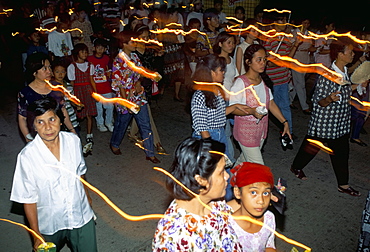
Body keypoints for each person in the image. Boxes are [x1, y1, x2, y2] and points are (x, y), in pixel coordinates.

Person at [10, 97, 97, 252]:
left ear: (60, 120)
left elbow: (80, 171)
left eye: (52, 119)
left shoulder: (73, 141)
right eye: (40, 122)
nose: (48, 127)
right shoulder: (28, 157)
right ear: (34, 127)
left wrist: (87, 195)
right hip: (49, 223)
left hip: (80, 214)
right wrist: (36, 235)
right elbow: (28, 199)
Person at [290, 38, 362, 197]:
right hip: (325, 122)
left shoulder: (343, 72)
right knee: (311, 147)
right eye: (350, 52)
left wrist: (358, 85)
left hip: (341, 123)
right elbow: (318, 101)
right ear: (340, 55)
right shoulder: (327, 75)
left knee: (341, 153)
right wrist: (329, 99)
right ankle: (296, 166)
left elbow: (345, 90)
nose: (352, 55)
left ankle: (343, 184)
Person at [152, 137, 242, 251]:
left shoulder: (213, 200)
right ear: (201, 180)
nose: (227, 176)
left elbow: (224, 212)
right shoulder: (174, 236)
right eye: (221, 172)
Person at [230, 44, 291, 165]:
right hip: (245, 133)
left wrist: (284, 122)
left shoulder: (262, 81)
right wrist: (252, 111)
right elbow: (233, 109)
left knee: (243, 161)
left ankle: (231, 178)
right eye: (259, 60)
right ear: (248, 62)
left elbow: (271, 103)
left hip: (261, 132)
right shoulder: (240, 83)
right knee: (258, 167)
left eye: (264, 59)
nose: (263, 63)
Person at [110, 30, 160, 163]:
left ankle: (150, 153)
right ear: (124, 44)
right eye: (133, 42)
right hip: (125, 98)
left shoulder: (135, 57)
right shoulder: (118, 61)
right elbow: (118, 83)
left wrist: (138, 82)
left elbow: (141, 72)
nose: (136, 44)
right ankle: (114, 144)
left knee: (145, 124)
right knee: (122, 124)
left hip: (138, 96)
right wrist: (125, 101)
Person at [18, 53, 75, 142]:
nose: (49, 71)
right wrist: (27, 138)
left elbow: (63, 110)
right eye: (44, 68)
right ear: (34, 72)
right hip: (38, 136)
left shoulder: (57, 87)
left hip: (58, 133)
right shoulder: (26, 93)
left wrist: (72, 130)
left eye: (49, 67)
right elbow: (22, 118)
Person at [263, 13, 300, 135]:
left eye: (285, 20)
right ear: (275, 22)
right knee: (267, 107)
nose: (285, 23)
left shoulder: (285, 38)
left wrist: (295, 45)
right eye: (282, 20)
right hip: (272, 79)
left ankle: (287, 132)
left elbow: (289, 58)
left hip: (282, 78)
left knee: (284, 107)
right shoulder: (269, 39)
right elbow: (268, 63)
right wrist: (282, 62)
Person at [228, 162, 276, 252]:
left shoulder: (269, 218)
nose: (261, 201)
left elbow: (269, 245)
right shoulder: (227, 227)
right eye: (253, 192)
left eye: (265, 193)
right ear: (238, 192)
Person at [213, 31, 238, 163]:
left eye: (233, 43)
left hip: (231, 99)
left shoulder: (231, 60)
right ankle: (230, 160)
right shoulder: (216, 61)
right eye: (228, 42)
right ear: (220, 43)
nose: (231, 45)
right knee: (226, 132)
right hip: (221, 99)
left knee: (238, 128)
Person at [67, 43, 97, 147]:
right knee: (78, 114)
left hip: (88, 90)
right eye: (82, 51)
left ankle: (89, 134)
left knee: (89, 114)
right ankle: (75, 129)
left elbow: (92, 80)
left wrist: (96, 92)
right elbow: (72, 83)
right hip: (78, 91)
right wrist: (72, 95)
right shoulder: (72, 66)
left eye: (86, 52)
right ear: (77, 53)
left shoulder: (90, 65)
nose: (84, 54)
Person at [289, 18, 316, 115]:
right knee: (300, 83)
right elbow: (291, 45)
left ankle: (289, 100)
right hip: (296, 57)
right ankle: (305, 106)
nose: (306, 24)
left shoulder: (309, 34)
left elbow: (311, 46)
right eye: (304, 22)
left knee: (297, 82)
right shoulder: (295, 33)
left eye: (308, 23)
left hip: (305, 57)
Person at [87, 38, 114, 133]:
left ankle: (109, 122)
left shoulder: (107, 58)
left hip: (106, 86)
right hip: (96, 86)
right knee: (98, 107)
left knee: (110, 106)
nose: (100, 50)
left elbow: (108, 68)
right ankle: (100, 123)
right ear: (94, 48)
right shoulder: (89, 59)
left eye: (102, 48)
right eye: (98, 47)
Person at [51, 61, 80, 135]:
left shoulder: (69, 86)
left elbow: (71, 100)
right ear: (52, 72)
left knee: (75, 138)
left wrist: (77, 105)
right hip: (58, 118)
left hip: (71, 117)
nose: (60, 74)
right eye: (57, 72)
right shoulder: (51, 87)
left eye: (63, 72)